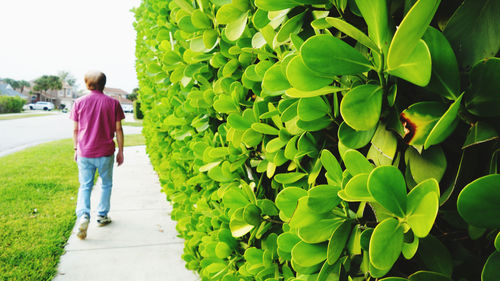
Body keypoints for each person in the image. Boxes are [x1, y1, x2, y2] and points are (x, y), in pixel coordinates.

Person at [70, 71, 125, 239]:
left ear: (87, 84)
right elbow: (118, 129)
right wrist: (121, 151)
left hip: (85, 152)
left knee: (85, 185)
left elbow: (75, 130)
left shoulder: (79, 102)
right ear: (104, 84)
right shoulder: (113, 103)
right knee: (106, 184)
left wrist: (75, 149)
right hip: (105, 152)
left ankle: (84, 215)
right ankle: (102, 216)